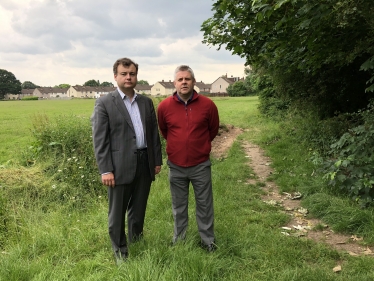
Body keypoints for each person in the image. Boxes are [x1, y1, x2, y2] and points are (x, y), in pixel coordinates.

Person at [91, 57, 162, 264]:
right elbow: (100, 140)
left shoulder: (146, 102)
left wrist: (156, 160)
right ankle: (120, 251)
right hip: (119, 165)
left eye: (131, 73)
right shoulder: (104, 103)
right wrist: (105, 169)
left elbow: (153, 134)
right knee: (117, 212)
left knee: (138, 208)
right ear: (115, 76)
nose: (128, 77)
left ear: (136, 76)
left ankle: (136, 240)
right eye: (124, 73)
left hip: (144, 162)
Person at [157, 65, 219, 252]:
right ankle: (180, 240)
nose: (184, 82)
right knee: (179, 206)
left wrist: (198, 146)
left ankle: (208, 241)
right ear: (174, 83)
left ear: (194, 82)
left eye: (187, 79)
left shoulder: (208, 105)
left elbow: (213, 130)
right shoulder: (164, 107)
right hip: (176, 166)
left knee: (205, 204)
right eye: (180, 79)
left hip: (200, 165)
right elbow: (164, 131)